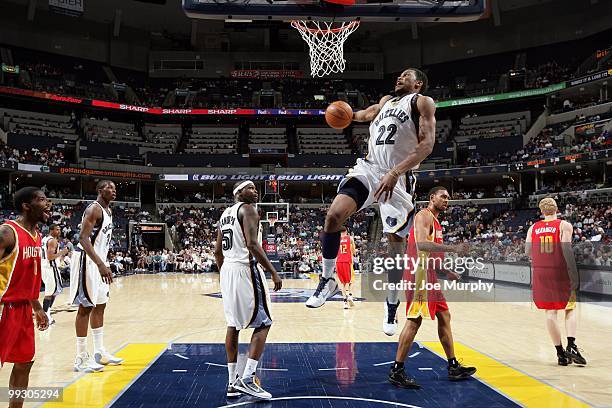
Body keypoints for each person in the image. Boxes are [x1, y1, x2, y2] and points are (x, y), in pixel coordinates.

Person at [305, 68, 436, 336]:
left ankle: (391, 306)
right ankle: (328, 279)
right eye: (398, 75)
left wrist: (396, 171)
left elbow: (427, 145)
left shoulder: (421, 102)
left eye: (406, 76)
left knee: (395, 248)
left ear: (418, 83)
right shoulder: (386, 102)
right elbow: (359, 115)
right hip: (369, 169)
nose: (399, 77)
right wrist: (338, 113)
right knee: (332, 217)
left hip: (399, 177)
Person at [389, 187, 476, 389]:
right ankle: (397, 370)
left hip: (428, 275)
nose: (447, 199)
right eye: (443, 196)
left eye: (448, 197)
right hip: (418, 275)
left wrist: (448, 272)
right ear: (432, 198)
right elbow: (421, 245)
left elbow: (432, 257)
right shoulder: (423, 215)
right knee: (414, 320)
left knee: (444, 315)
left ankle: (453, 366)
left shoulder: (436, 223)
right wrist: (453, 248)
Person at [214, 181, 283, 400]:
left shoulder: (225, 214)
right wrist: (273, 271)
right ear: (238, 193)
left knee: (233, 325)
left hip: (228, 270)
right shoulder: (248, 209)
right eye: (250, 188)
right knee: (264, 322)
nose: (255, 191)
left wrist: (225, 274)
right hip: (245, 269)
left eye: (255, 188)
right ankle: (248, 378)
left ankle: (232, 382)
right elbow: (253, 245)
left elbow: (217, 251)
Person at [0, 187, 50, 408]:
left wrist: (37, 306)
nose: (47, 204)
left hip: (21, 310)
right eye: (41, 200)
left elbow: (27, 276)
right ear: (26, 206)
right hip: (3, 307)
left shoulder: (36, 235)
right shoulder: (7, 232)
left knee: (24, 363)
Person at [525, 197, 586, 366]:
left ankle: (560, 354)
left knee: (550, 312)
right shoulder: (563, 225)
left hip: (541, 272)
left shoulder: (533, 227)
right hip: (560, 270)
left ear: (541, 211)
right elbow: (566, 249)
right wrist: (574, 273)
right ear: (557, 209)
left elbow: (528, 251)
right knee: (570, 308)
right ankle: (571, 345)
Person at [70, 180, 123, 373]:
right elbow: (83, 239)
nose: (113, 190)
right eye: (109, 187)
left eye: (115, 187)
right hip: (87, 260)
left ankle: (99, 351)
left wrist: (104, 262)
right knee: (86, 307)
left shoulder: (108, 211)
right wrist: (100, 264)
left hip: (100, 261)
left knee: (100, 305)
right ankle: (80, 358)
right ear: (99, 190)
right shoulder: (94, 209)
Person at [41, 224, 69, 324]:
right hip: (50, 268)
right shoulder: (52, 240)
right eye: (57, 229)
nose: (59, 231)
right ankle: (45, 316)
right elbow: (50, 257)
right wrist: (63, 252)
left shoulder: (44, 239)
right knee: (50, 293)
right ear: (51, 230)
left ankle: (47, 313)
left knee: (54, 292)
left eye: (60, 229)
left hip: (45, 267)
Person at [336, 227, 356, 309]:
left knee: (343, 283)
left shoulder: (336, 240)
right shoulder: (350, 238)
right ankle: (349, 295)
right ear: (346, 231)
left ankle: (345, 302)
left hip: (338, 262)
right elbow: (354, 252)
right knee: (350, 281)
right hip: (347, 262)